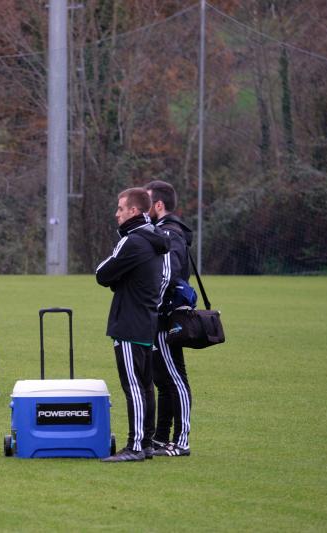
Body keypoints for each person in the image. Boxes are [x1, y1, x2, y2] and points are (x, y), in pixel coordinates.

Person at [96, 187, 170, 461]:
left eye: (120, 208)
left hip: (129, 322)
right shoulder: (154, 239)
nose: (116, 214)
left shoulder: (133, 241)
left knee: (134, 387)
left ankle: (136, 446)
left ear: (134, 211)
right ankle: (147, 443)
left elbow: (102, 273)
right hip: (147, 321)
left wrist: (117, 280)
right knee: (145, 385)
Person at [145, 180, 194, 457]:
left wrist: (151, 304)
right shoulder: (164, 231)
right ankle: (161, 438)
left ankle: (182, 441)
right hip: (160, 314)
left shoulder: (170, 234)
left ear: (159, 205)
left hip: (166, 315)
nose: (144, 208)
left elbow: (169, 274)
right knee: (162, 380)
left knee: (175, 378)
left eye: (147, 203)